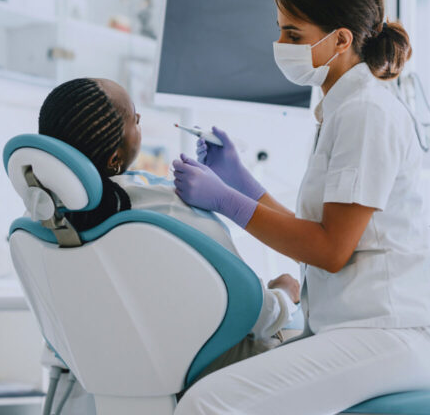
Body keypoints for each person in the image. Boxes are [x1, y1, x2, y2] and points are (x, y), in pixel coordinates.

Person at [171, 0, 430, 414]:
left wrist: (225, 201)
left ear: (341, 40)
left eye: (293, 35)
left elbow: (329, 250)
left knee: (208, 404)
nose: (279, 45)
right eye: (280, 31)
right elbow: (311, 233)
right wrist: (238, 178)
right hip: (362, 327)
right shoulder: (340, 110)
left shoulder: (366, 112)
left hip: (396, 330)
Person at [37, 77, 300, 363]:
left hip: (108, 371)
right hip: (207, 375)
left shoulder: (44, 222)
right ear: (115, 157)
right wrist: (285, 295)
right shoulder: (169, 210)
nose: (140, 120)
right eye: (135, 119)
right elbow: (257, 317)